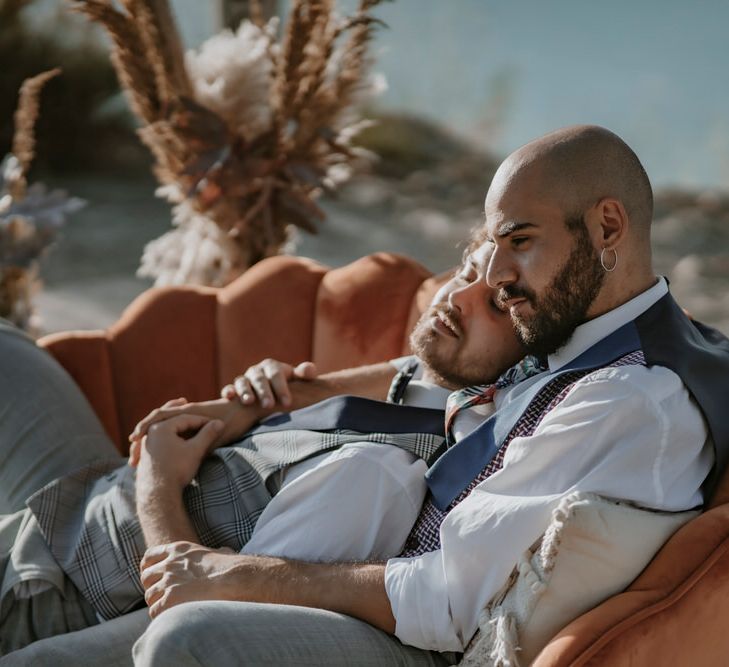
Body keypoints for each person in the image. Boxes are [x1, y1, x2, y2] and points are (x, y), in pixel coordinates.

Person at [127, 125, 729, 667]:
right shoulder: (583, 330)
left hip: (419, 641)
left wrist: (241, 578)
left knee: (187, 639)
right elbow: (424, 374)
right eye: (493, 245)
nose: (494, 274)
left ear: (608, 227)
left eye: (520, 240)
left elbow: (446, 602)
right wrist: (262, 399)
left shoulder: (631, 398)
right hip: (367, 573)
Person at [0, 239, 525, 661]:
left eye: (496, 304)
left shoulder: (376, 477)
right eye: (465, 272)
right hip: (75, 496)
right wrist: (259, 400)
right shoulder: (423, 385)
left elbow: (198, 596)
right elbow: (402, 371)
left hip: (62, 588)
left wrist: (158, 477)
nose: (458, 298)